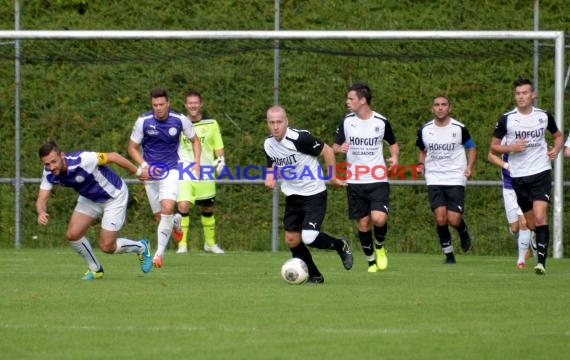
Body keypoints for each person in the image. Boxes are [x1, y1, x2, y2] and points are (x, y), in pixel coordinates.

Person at [36, 141, 153, 280]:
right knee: (73, 235)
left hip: (113, 196)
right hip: (90, 198)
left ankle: (141, 247)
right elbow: (41, 200)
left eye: (54, 161)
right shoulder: (49, 174)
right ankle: (95, 269)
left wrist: (138, 172)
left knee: (107, 246)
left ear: (62, 155)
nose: (51, 167)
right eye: (47, 164)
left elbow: (114, 156)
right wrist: (41, 212)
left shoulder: (83, 160)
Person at [264, 105, 353, 284]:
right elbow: (271, 163)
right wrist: (270, 176)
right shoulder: (268, 143)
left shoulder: (300, 138)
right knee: (291, 240)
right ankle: (315, 275)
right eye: (271, 122)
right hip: (293, 195)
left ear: (286, 121)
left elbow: (327, 151)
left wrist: (333, 177)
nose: (275, 126)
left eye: (279, 122)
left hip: (314, 193)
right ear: (268, 124)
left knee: (309, 236)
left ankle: (340, 245)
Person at [489, 77, 563, 275]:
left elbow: (558, 136)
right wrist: (511, 147)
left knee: (540, 216)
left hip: (541, 172)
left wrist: (555, 150)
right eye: (518, 94)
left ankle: (541, 262)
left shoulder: (544, 116)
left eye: (524, 93)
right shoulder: (507, 119)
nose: (521, 97)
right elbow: (493, 147)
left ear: (533, 95)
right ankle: (534, 239)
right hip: (518, 176)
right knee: (530, 223)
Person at [127, 87, 201, 268]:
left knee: (167, 207)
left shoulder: (180, 120)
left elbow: (195, 140)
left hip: (171, 170)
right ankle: (176, 221)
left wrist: (197, 164)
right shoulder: (143, 121)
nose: (158, 108)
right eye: (155, 105)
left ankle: (158, 255)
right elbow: (132, 148)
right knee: (161, 218)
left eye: (161, 104)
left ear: (168, 103)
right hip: (150, 173)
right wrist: (145, 167)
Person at [333, 82, 399, 273]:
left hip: (377, 178)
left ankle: (379, 247)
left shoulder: (381, 121)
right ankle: (371, 262)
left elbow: (393, 144)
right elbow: (335, 147)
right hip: (355, 180)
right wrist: (340, 148)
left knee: (378, 219)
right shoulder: (346, 122)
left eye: (351, 98)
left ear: (362, 100)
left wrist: (394, 157)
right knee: (363, 223)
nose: (347, 102)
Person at [416, 96, 476, 264]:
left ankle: (462, 229)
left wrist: (469, 167)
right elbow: (422, 151)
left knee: (454, 219)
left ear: (449, 108)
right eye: (437, 105)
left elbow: (471, 148)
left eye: (444, 105)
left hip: (455, 176)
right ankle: (449, 254)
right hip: (434, 177)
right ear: (432, 108)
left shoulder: (459, 128)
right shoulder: (425, 129)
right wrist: (420, 165)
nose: (440, 108)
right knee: (441, 218)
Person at [174, 91, 225, 254]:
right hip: (185, 169)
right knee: (183, 205)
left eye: (196, 103)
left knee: (208, 208)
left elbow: (218, 145)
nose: (193, 106)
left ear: (200, 104)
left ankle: (209, 244)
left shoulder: (211, 123)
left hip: (206, 170)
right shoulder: (179, 123)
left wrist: (221, 160)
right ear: (185, 105)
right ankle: (182, 245)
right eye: (190, 103)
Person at [487, 145, 535, 269]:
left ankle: (521, 261)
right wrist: (507, 166)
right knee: (514, 228)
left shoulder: (529, 136)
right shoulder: (504, 138)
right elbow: (491, 156)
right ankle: (528, 239)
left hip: (524, 185)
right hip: (508, 188)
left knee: (524, 222)